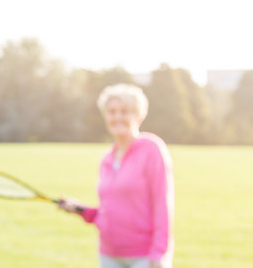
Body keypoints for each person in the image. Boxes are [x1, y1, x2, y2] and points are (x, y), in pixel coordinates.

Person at [58, 84, 174, 268]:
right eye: (112, 112)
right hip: (109, 255)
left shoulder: (152, 150)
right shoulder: (107, 159)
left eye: (124, 111)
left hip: (143, 257)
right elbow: (108, 212)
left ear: (138, 115)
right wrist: (81, 209)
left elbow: (162, 205)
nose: (117, 117)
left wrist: (159, 253)